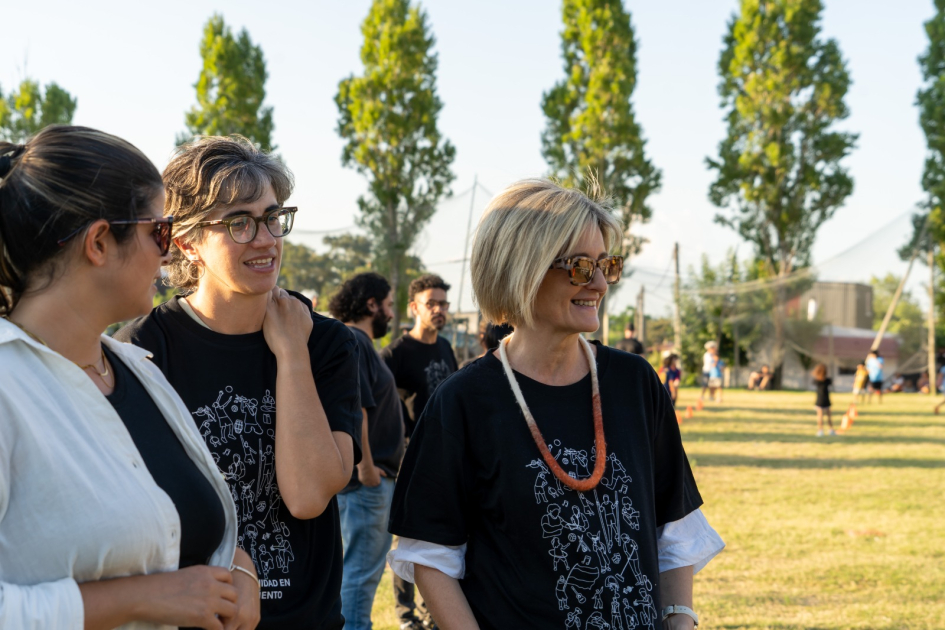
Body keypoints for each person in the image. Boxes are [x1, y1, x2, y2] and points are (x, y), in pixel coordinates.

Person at [387, 179, 723, 630]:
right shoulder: (464, 402)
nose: (601, 284)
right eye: (581, 267)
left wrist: (679, 617)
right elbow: (431, 556)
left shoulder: (635, 382)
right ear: (522, 269)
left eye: (607, 265)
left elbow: (675, 526)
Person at [0, 126, 257, 629]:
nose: (168, 253)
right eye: (158, 232)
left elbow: (187, 527)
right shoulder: (8, 388)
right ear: (98, 242)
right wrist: (139, 598)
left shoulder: (137, 370)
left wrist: (240, 570)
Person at [115, 136, 361, 630]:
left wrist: (292, 354)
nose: (266, 238)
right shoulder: (142, 349)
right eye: (239, 223)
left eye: (273, 217)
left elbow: (309, 495)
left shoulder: (326, 343)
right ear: (186, 242)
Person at [328, 273, 406, 630]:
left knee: (358, 575)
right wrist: (367, 469)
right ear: (371, 304)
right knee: (360, 578)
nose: (390, 313)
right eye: (388, 305)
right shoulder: (354, 342)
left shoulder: (356, 342)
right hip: (367, 486)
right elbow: (355, 407)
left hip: (368, 485)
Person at [381, 274, 458, 630]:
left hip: (444, 457)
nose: (440, 310)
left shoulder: (445, 348)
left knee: (438, 539)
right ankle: (406, 615)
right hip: (409, 460)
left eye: (443, 304)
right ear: (414, 307)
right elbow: (372, 408)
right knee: (408, 538)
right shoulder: (395, 355)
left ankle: (432, 612)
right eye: (432, 304)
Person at [811, 363, 836, 437]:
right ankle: (831, 430)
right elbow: (830, 381)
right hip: (826, 400)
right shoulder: (828, 380)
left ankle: (820, 430)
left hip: (819, 400)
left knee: (820, 416)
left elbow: (814, 381)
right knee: (829, 416)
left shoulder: (817, 381)